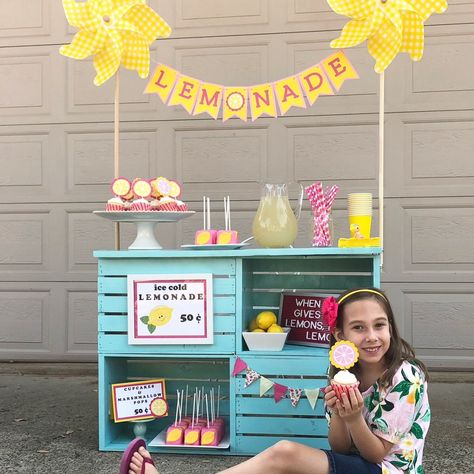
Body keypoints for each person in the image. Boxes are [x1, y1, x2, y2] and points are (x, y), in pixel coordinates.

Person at [120, 287, 430, 474]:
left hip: (388, 470)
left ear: (391, 327)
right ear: (340, 335)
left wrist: (353, 419)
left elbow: (377, 454)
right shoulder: (341, 371)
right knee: (282, 459)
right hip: (358, 464)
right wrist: (340, 415)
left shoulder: (405, 378)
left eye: (380, 325)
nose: (372, 337)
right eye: (359, 328)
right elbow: (338, 447)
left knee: (285, 454)